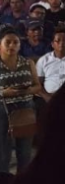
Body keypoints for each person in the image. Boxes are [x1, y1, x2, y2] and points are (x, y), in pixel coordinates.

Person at [0, 28, 42, 173]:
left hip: (25, 109)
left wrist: (28, 90)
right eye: (8, 42)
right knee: (3, 154)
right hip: (3, 111)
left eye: (15, 42)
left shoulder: (28, 63)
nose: (12, 45)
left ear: (20, 45)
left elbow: (37, 86)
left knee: (25, 153)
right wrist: (4, 92)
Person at [36, 30, 65, 96]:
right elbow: (37, 84)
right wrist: (47, 97)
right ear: (52, 44)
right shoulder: (43, 60)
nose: (61, 43)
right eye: (58, 41)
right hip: (49, 96)